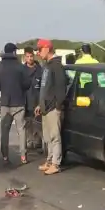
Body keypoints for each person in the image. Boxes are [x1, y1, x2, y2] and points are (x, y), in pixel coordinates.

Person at [0, 42, 30, 165]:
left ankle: (5, 156)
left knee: (4, 130)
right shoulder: (20, 66)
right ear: (13, 52)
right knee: (21, 130)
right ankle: (23, 156)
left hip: (5, 103)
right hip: (18, 102)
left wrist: (1, 87)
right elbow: (27, 83)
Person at [35, 39, 67, 175]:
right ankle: (49, 161)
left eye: (40, 49)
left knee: (55, 137)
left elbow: (60, 88)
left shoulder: (57, 66)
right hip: (45, 107)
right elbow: (45, 87)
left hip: (53, 108)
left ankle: (55, 163)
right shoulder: (47, 66)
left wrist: (58, 106)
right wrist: (40, 104)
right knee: (48, 138)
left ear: (47, 49)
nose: (38, 52)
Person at [22, 47, 43, 152]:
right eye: (27, 56)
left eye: (31, 56)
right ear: (24, 57)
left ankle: (38, 142)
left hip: (37, 100)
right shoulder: (22, 70)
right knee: (28, 123)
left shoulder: (40, 69)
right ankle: (30, 141)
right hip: (26, 101)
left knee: (38, 124)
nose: (30, 58)